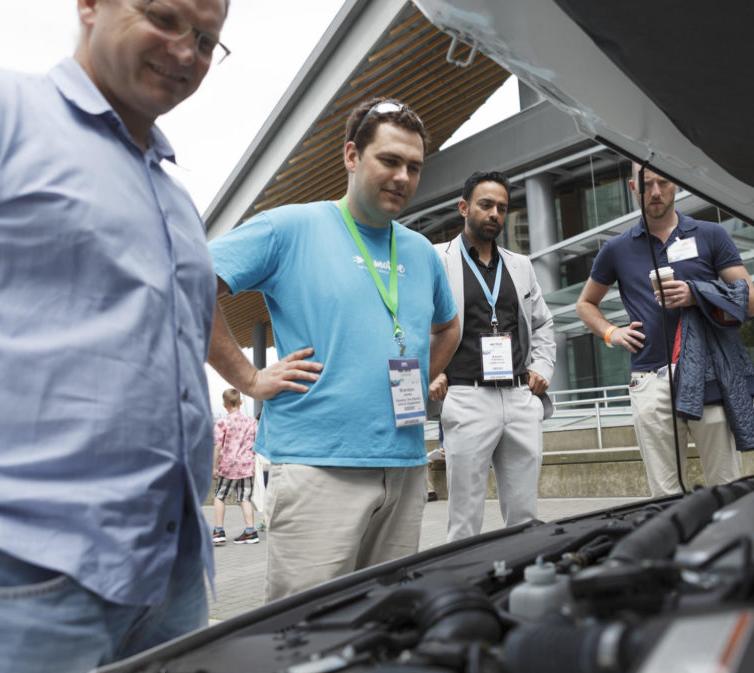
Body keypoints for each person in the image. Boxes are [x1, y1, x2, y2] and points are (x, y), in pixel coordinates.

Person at [0, 0, 231, 673]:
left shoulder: (175, 196)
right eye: (166, 18)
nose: (185, 51)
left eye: (207, 40)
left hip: (170, 581)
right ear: (89, 5)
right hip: (14, 574)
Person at [207, 97, 460, 601]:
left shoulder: (418, 250)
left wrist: (414, 378)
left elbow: (448, 328)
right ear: (350, 156)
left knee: (385, 624)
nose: (403, 177)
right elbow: (186, 281)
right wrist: (250, 379)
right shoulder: (290, 227)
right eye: (389, 160)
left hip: (405, 467)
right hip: (317, 466)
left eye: (414, 166)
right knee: (307, 631)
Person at [575, 163, 754, 498]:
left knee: (725, 486)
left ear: (675, 183)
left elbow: (750, 302)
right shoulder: (616, 248)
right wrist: (611, 333)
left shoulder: (710, 235)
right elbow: (585, 304)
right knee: (665, 494)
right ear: (633, 187)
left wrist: (696, 293)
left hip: (708, 375)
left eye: (663, 182)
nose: (656, 192)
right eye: (647, 184)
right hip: (650, 377)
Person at [428, 171, 556, 542]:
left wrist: (541, 368)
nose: (494, 214)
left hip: (519, 397)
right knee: (465, 518)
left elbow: (544, 324)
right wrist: (430, 370)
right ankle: (464, 591)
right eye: (486, 205)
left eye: (502, 207)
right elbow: (412, 320)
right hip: (467, 397)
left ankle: (521, 587)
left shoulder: (520, 265)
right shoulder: (437, 259)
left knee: (524, 516)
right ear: (464, 207)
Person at [212, 389, 259, 545]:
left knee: (220, 496)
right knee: (245, 498)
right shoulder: (251, 421)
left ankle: (219, 531)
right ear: (240, 402)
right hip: (246, 464)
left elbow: (218, 446)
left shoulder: (222, 422)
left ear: (224, 405)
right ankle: (250, 532)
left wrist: (214, 467)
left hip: (228, 464)